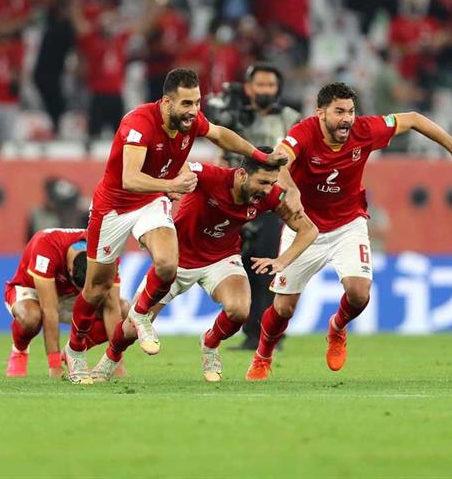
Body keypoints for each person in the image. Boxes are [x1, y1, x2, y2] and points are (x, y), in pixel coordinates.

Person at [63, 67, 292, 384]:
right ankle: (75, 350)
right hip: (113, 207)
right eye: (187, 103)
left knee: (168, 263)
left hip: (151, 201)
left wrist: (258, 155)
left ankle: (140, 315)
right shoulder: (139, 123)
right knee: (96, 288)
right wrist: (169, 184)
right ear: (167, 102)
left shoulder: (190, 121)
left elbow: (220, 134)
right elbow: (130, 179)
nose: (193, 111)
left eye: (197, 103)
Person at [246, 82, 452, 380]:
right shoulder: (304, 132)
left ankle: (337, 327)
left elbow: (413, 118)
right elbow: (279, 160)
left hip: (348, 223)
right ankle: (262, 356)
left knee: (359, 293)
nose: (347, 118)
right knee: (283, 308)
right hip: (304, 227)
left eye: (350, 111)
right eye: (339, 112)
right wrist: (292, 191)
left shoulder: (365, 129)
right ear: (321, 113)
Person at [90, 151, 317, 382]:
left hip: (222, 259)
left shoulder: (270, 196)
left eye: (271, 183)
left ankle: (210, 343)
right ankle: (110, 358)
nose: (267, 190)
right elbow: (180, 167)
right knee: (131, 329)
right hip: (178, 259)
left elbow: (309, 230)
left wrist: (282, 260)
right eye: (262, 182)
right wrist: (169, 188)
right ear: (241, 175)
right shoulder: (212, 176)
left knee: (239, 310)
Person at [204, 62, 301, 349]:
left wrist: (292, 192)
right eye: (260, 84)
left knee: (267, 267)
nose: (266, 90)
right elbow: (222, 151)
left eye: (271, 85)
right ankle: (250, 334)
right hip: (237, 198)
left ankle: (271, 334)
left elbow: (299, 158)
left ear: (278, 88)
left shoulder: (290, 118)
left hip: (272, 201)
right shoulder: (234, 115)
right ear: (248, 88)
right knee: (242, 266)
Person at [5, 228, 127, 378]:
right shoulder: (47, 246)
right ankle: (19, 349)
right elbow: (49, 309)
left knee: (123, 309)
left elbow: (112, 308)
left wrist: (116, 361)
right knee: (31, 317)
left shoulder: (105, 254)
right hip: (32, 290)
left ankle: (71, 349)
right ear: (69, 270)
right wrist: (55, 366)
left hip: (70, 295)